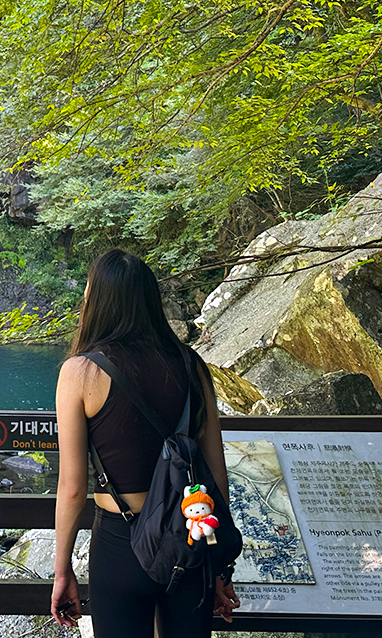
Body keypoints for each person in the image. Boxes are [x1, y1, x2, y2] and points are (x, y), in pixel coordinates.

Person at [49, 250, 240, 637]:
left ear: (98, 303)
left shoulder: (81, 372)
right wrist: (219, 568)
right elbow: (216, 475)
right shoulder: (191, 365)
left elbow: (72, 488)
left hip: (120, 546)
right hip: (188, 539)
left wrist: (62, 569)